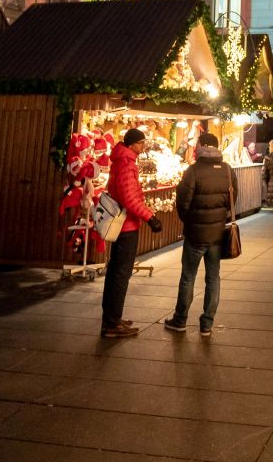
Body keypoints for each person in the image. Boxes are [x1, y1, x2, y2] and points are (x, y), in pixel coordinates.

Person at [164, 131, 233, 337]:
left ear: (202, 145)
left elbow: (183, 200)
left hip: (195, 233)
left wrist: (188, 219)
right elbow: (232, 199)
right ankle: (207, 324)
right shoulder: (227, 170)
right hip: (217, 234)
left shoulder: (193, 170)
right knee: (213, 278)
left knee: (188, 277)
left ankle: (180, 320)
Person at [98, 129, 162, 338]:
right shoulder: (126, 164)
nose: (143, 146)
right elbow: (129, 198)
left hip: (123, 226)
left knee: (116, 272)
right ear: (132, 144)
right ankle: (112, 324)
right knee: (120, 274)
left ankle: (111, 318)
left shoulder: (122, 161)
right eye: (141, 142)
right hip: (126, 227)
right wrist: (150, 218)